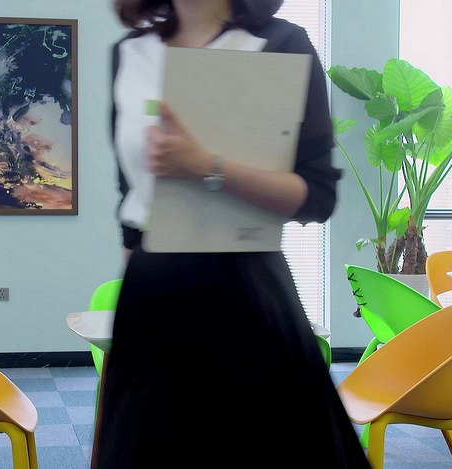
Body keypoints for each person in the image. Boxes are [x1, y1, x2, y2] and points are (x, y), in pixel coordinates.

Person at [94, 0, 371, 467]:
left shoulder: (281, 43)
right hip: (153, 294)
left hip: (247, 287)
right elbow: (131, 197)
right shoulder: (129, 52)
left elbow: (317, 197)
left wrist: (205, 166)